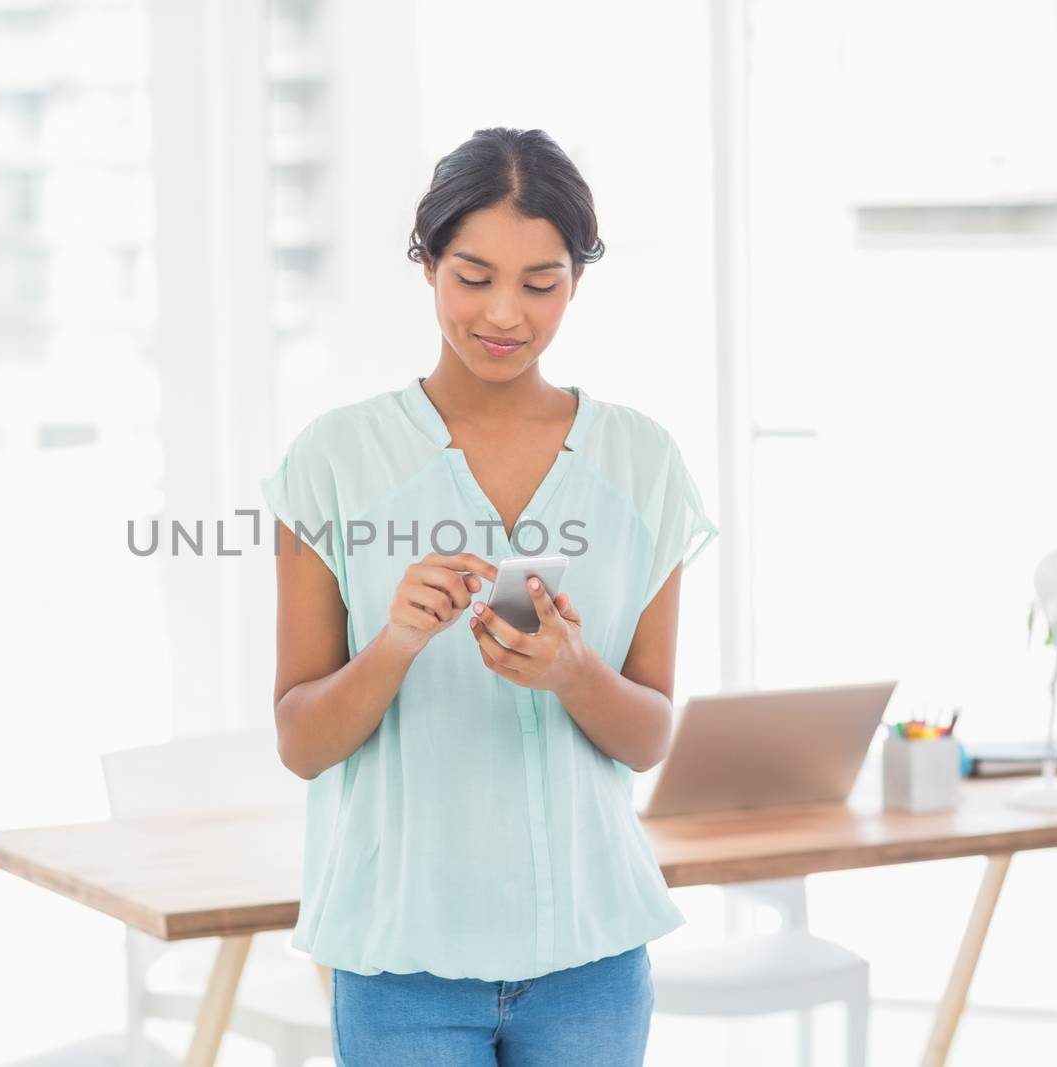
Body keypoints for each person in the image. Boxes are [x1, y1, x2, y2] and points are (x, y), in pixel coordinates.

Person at [262, 127, 717, 1066]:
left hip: (591, 959)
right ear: (426, 263)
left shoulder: (642, 462)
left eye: (540, 283)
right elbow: (302, 742)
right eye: (472, 276)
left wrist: (574, 671)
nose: (504, 312)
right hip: (403, 967)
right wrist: (392, 643)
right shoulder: (335, 460)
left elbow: (649, 734)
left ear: (576, 281)